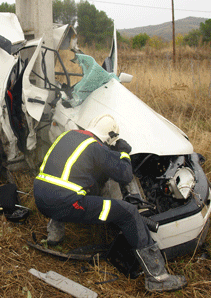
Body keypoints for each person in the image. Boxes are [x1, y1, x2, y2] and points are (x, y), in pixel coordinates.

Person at [33, 114, 187, 293]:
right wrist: (123, 153)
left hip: (41, 198)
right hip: (65, 204)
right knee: (128, 213)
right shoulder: (96, 147)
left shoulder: (67, 135)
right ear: (108, 138)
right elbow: (125, 175)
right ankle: (157, 278)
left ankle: (54, 234)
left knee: (73, 186)